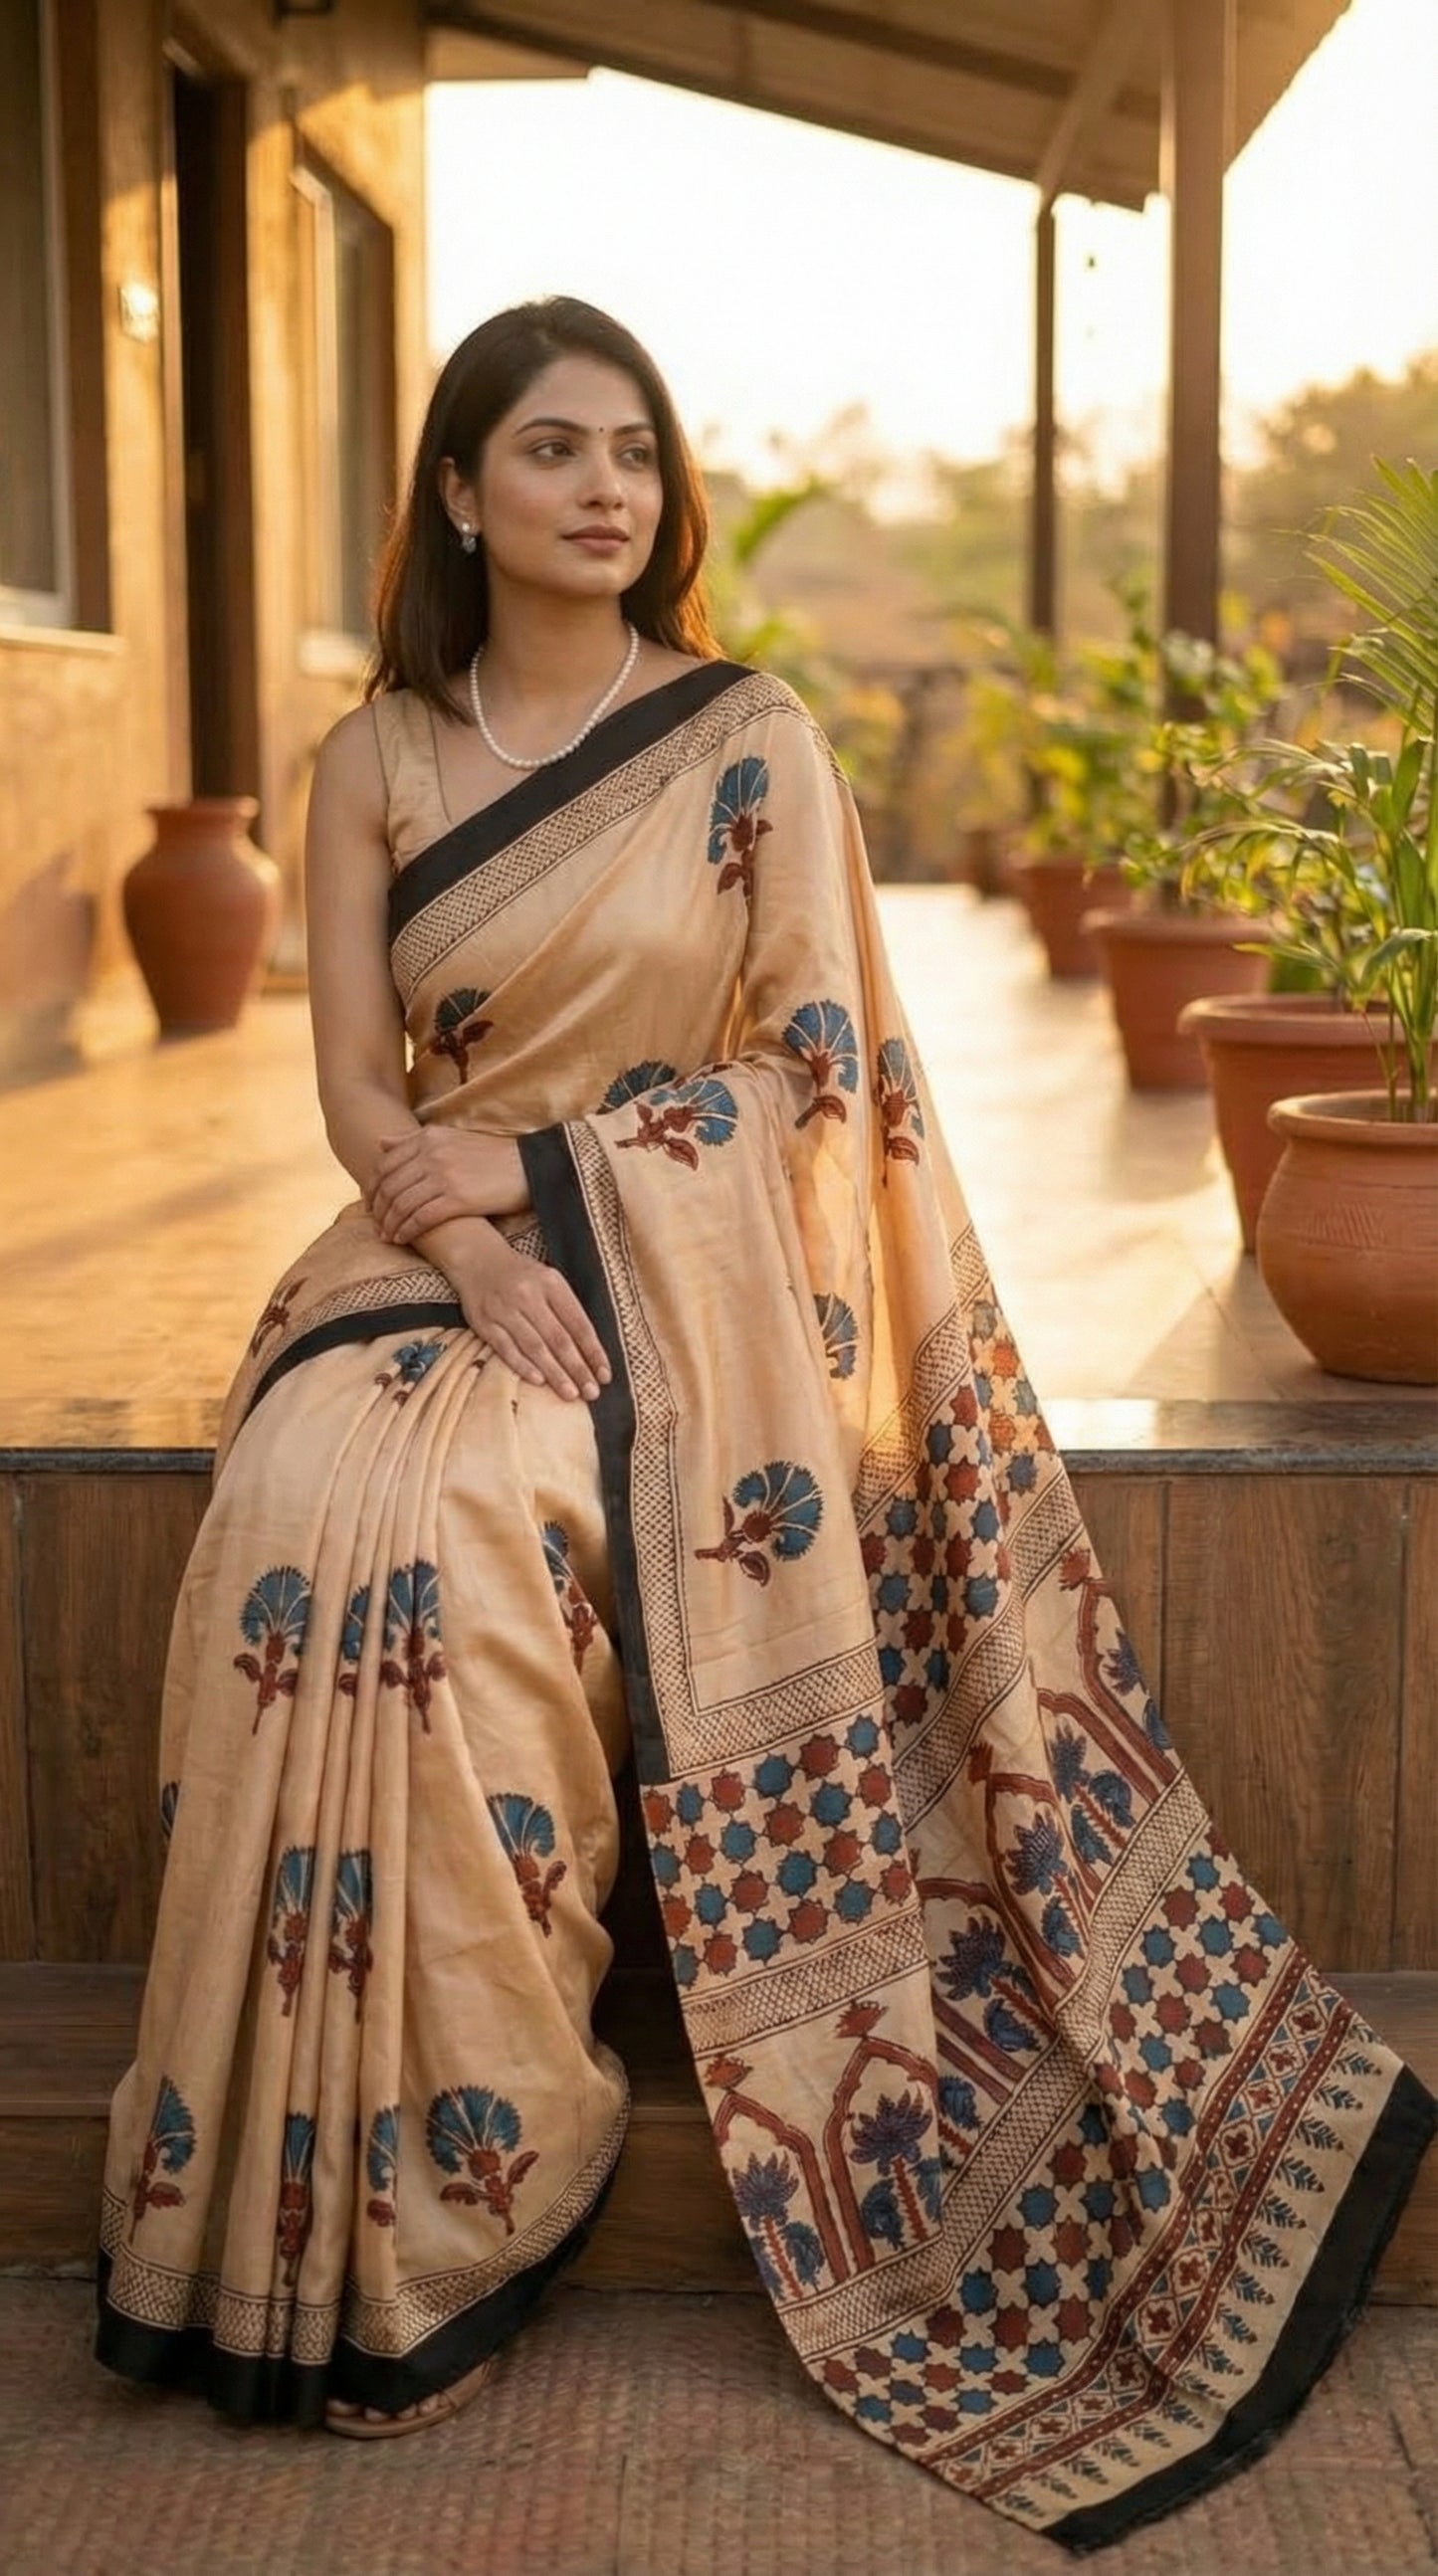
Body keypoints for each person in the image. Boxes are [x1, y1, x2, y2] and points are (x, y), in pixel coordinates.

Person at [96, 297, 1434, 2549]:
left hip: (676, 1298)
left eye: (635, 448)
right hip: (412, 1262)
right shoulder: (379, 757)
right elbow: (353, 1085)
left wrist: (551, 1193)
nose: (603, 485)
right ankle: (281, 2192)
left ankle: (471, 2184)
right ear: (456, 490)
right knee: (307, 1504)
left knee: (458, 1548)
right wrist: (458, 1238)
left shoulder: (752, 745)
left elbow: (822, 1084)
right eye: (549, 449)